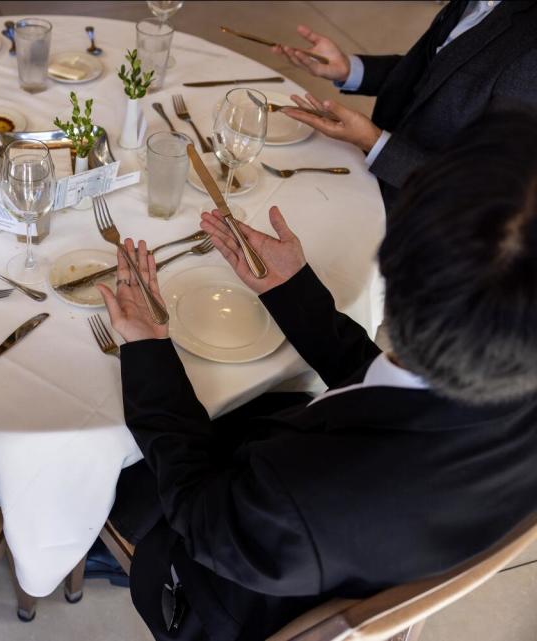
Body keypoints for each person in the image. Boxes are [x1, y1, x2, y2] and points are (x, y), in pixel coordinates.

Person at [99, 112, 537, 641]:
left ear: (390, 264)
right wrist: (294, 292)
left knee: (97, 455)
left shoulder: (300, 502)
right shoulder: (511, 382)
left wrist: (147, 350)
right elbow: (411, 379)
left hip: (219, 589)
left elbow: (201, 513)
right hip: (391, 522)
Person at [271, 1, 537, 206]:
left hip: (422, 216)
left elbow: (483, 186)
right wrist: (349, 69)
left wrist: (375, 142)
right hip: (378, 175)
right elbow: (435, 75)